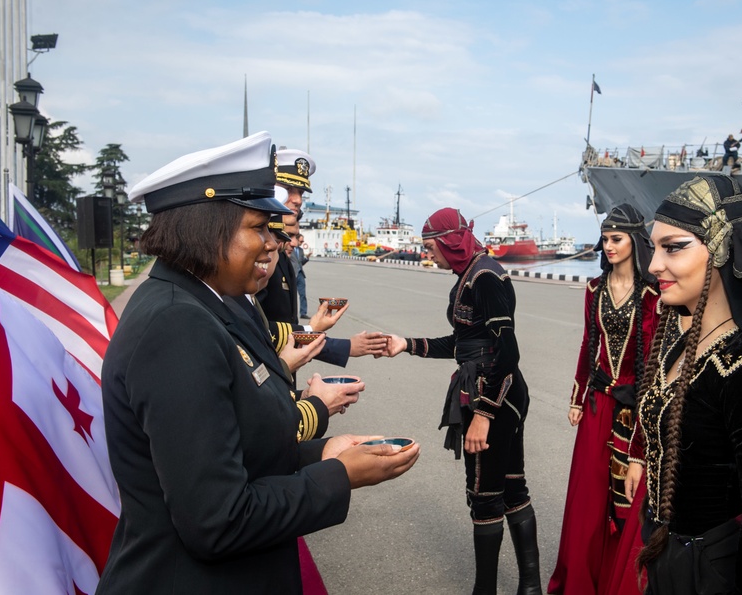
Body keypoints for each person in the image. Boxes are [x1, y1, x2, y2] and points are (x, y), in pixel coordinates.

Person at [96, 132, 419, 594]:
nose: (273, 244)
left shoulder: (215, 303)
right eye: (259, 227)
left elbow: (241, 449)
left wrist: (324, 452)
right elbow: (217, 520)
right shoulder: (175, 325)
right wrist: (339, 477)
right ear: (208, 227)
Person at [626, 174, 742, 595]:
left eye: (673, 247)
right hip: (671, 560)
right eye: (654, 247)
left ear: (721, 248)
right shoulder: (685, 346)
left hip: (715, 575)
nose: (654, 264)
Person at [380, 208, 540, 595]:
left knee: (485, 496)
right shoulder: (471, 273)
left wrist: (484, 414)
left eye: (430, 246)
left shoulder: (484, 277)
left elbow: (507, 352)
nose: (429, 254)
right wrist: (408, 345)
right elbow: (463, 344)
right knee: (511, 486)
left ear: (449, 242)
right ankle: (530, 587)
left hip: (492, 393)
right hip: (496, 388)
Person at [548, 205, 659, 594]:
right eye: (606, 239)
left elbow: (655, 360)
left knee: (626, 503)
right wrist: (578, 396)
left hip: (634, 408)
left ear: (634, 241)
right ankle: (578, 582)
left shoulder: (652, 294)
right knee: (587, 502)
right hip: (597, 404)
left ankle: (617, 583)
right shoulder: (594, 289)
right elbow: (587, 344)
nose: (609, 246)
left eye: (617, 239)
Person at [292, 233, 309, 318]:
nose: (302, 242)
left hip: (300, 274)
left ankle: (303, 313)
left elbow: (301, 262)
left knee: (303, 294)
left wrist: (307, 258)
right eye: (301, 241)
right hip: (292, 274)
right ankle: (292, 313)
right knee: (292, 295)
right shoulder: (290, 249)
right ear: (297, 240)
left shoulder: (301, 250)